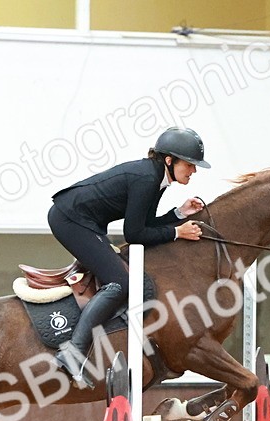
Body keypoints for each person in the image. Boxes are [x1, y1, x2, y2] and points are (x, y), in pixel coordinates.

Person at [48, 126, 210, 388]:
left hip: (82, 220)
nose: (193, 171)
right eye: (190, 164)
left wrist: (179, 213)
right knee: (121, 283)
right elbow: (135, 234)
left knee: (121, 279)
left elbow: (145, 224)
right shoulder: (147, 179)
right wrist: (177, 233)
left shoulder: (155, 177)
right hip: (71, 219)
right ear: (169, 160)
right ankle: (73, 351)